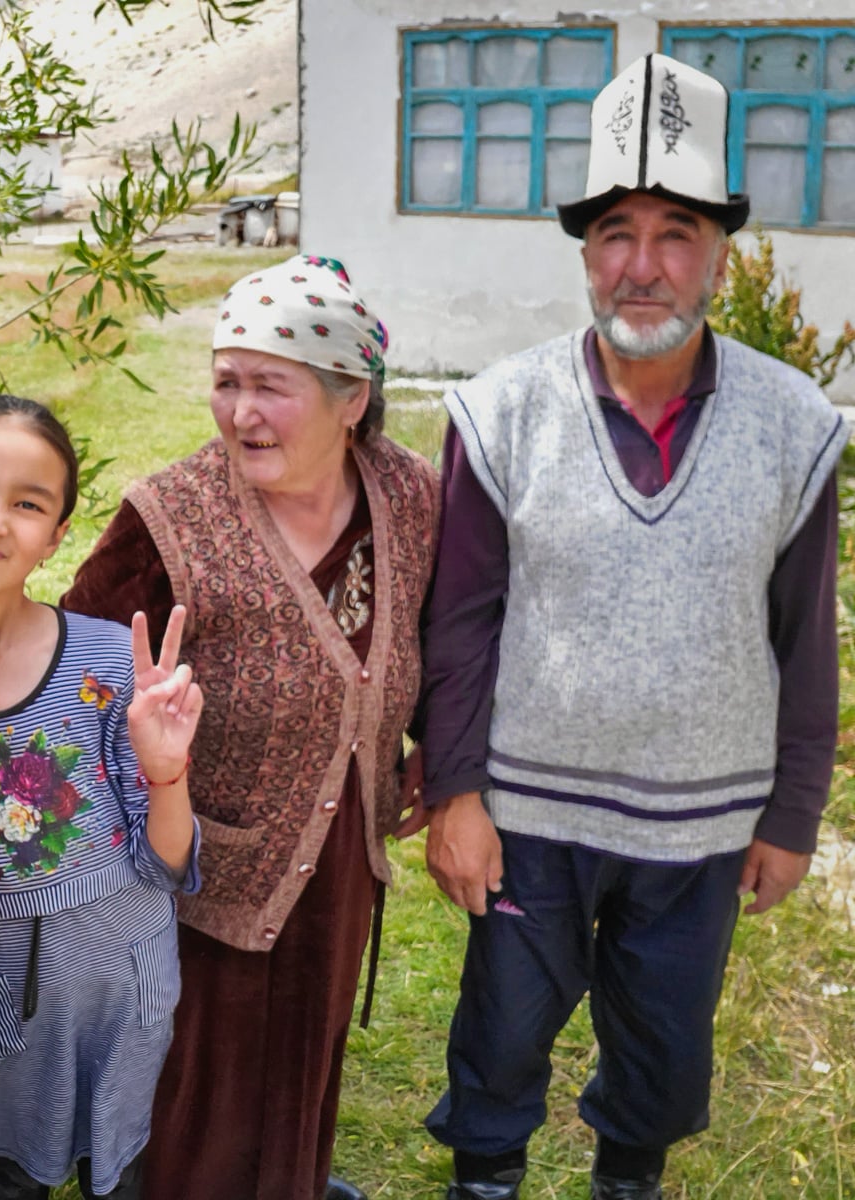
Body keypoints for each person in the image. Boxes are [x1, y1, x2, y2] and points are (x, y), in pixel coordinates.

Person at [416, 53, 848, 1200]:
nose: (642, 266)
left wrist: (792, 811)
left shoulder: (793, 424)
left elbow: (804, 638)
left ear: (719, 251)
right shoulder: (500, 410)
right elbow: (457, 620)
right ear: (585, 251)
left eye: (675, 233)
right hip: (527, 810)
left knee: (662, 1048)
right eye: (615, 231)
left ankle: (628, 1183)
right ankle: (484, 1181)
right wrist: (453, 795)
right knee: (501, 1033)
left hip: (701, 819)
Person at [64, 258, 440, 1200]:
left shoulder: (410, 496)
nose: (240, 414)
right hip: (201, 852)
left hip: (344, 837)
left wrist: (436, 739)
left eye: (271, 386)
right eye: (227, 383)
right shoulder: (171, 515)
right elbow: (79, 663)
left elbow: (443, 626)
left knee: (308, 1054)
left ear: (353, 397)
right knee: (200, 1083)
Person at [0, 394, 203, 1200]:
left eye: (27, 504)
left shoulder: (105, 664)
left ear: (57, 533)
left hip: (120, 990)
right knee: (14, 1169)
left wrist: (164, 768)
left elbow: (168, 861)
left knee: (118, 1168)